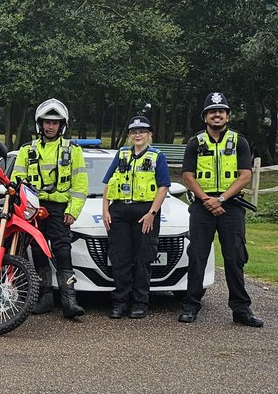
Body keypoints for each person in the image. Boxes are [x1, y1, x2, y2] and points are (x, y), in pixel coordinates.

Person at [178, 92, 263, 327]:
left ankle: (241, 310)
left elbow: (245, 176)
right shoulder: (195, 143)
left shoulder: (239, 142)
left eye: (221, 111)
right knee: (197, 257)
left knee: (235, 258)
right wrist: (207, 199)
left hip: (231, 207)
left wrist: (222, 199)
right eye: (212, 111)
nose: (217, 115)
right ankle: (190, 306)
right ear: (205, 116)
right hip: (202, 206)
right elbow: (187, 176)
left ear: (228, 116)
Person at [12, 99, 88, 319]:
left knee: (62, 250)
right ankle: (44, 298)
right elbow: (17, 180)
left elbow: (80, 184)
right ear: (40, 124)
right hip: (34, 207)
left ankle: (69, 300)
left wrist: (73, 210)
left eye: (55, 123)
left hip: (59, 207)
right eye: (47, 122)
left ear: (61, 125)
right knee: (37, 250)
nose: (50, 126)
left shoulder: (73, 151)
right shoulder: (27, 150)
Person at [101, 113, 171, 320]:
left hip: (145, 211)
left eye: (142, 132)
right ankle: (120, 302)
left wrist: (152, 213)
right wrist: (105, 210)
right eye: (133, 132)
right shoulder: (122, 154)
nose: (137, 135)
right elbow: (108, 183)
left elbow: (164, 187)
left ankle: (140, 303)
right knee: (120, 258)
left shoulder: (157, 156)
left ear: (150, 135)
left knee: (143, 258)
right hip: (120, 211)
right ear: (129, 136)